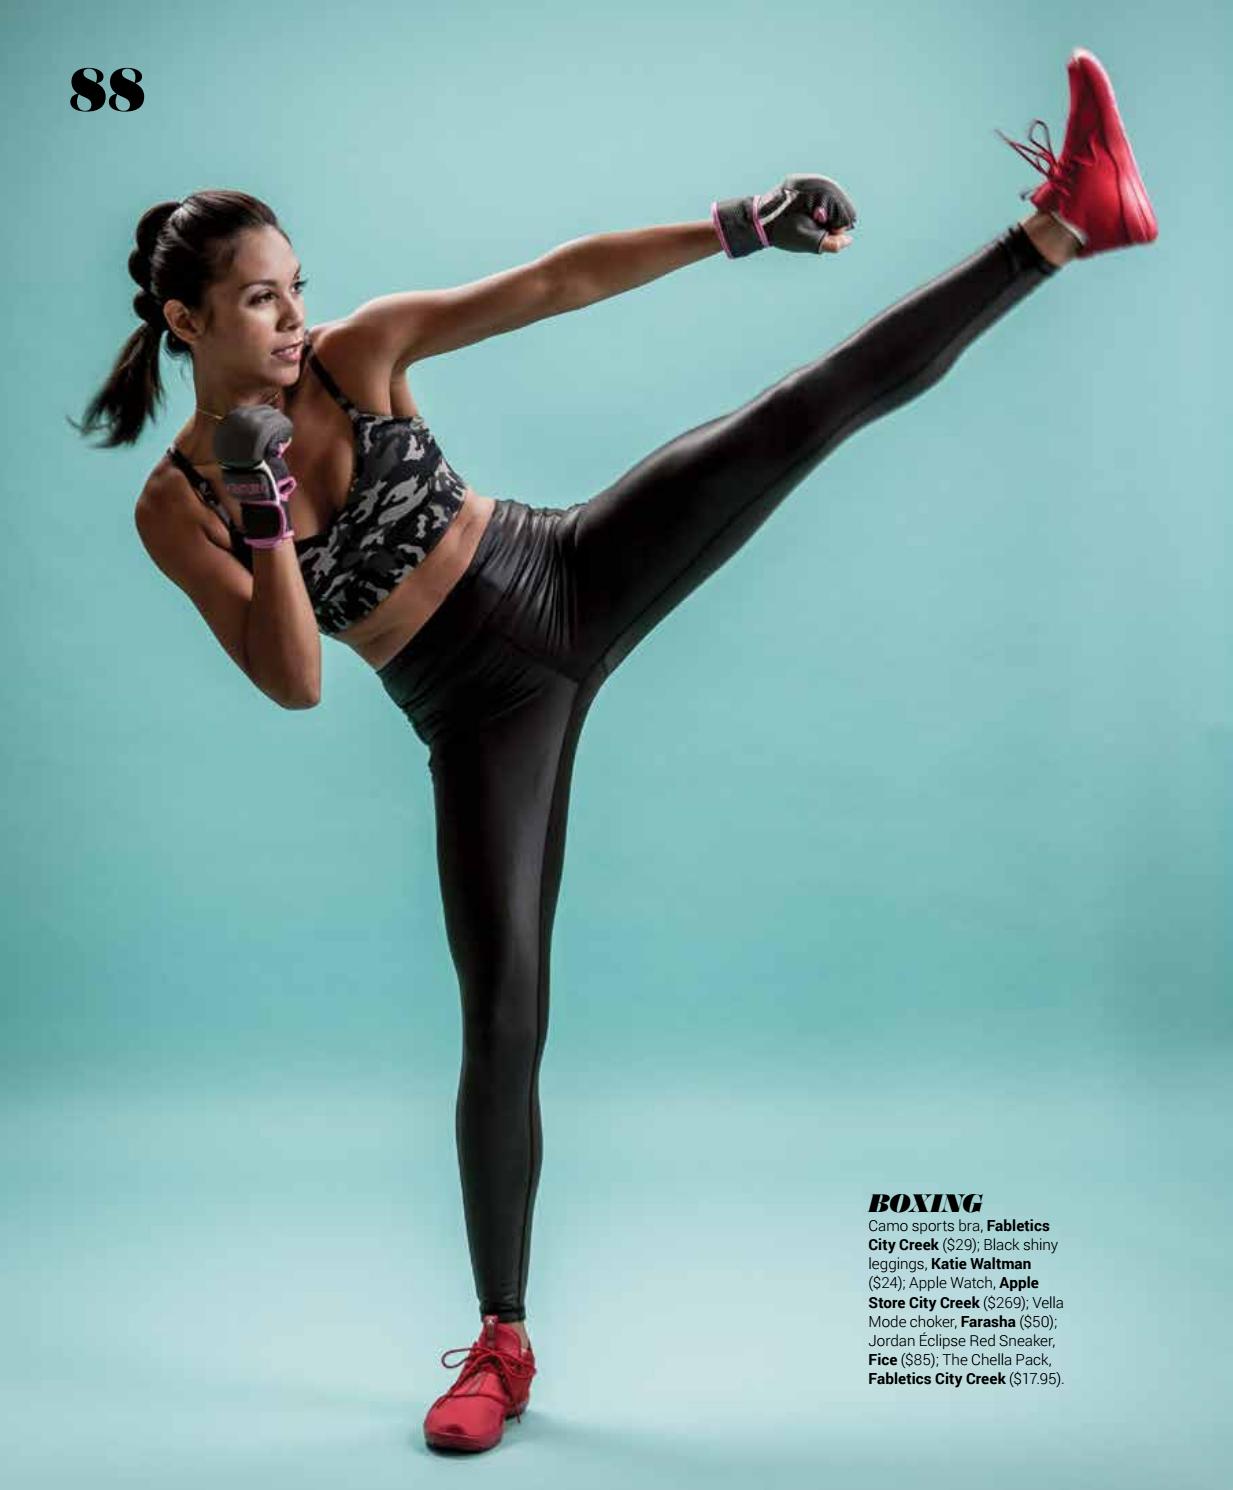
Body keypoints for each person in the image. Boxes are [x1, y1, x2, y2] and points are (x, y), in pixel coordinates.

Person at [73, 45, 1155, 1455]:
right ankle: (501, 1344)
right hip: (477, 718)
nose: (291, 316)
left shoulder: (356, 353)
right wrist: (264, 506)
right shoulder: (180, 506)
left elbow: (550, 282)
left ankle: (1066, 223)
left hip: (569, 570)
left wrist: (739, 226)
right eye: (259, 297)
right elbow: (293, 679)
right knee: (502, 1012)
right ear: (186, 319)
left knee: (795, 414)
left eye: (295, 283)